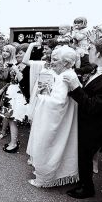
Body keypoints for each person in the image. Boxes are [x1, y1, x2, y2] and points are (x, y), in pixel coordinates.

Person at [64, 36, 102, 198]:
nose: (87, 51)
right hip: (99, 120)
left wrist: (75, 87)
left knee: (85, 152)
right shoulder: (98, 69)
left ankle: (86, 188)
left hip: (99, 123)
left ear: (98, 54)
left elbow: (92, 106)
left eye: (91, 49)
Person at [25, 46, 79, 188]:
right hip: (53, 118)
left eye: (55, 59)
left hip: (53, 120)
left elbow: (58, 102)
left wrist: (41, 97)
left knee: (47, 145)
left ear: (66, 63)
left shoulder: (66, 77)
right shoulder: (62, 74)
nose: (52, 61)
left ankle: (44, 180)